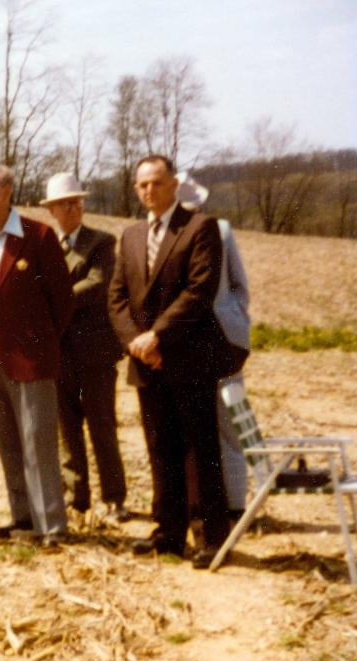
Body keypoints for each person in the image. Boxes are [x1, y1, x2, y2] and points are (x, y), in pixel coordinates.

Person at [108, 155, 235, 569]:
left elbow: (200, 291)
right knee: (160, 447)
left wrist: (157, 336)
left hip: (189, 358)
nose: (149, 191)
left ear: (174, 184)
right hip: (146, 361)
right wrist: (136, 343)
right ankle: (168, 533)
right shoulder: (129, 236)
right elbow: (117, 298)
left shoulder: (200, 228)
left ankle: (210, 537)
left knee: (200, 450)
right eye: (142, 184)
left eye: (157, 183)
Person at [0, 162, 74, 547]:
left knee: (39, 441)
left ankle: (51, 526)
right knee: (7, 443)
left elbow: (61, 301)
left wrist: (37, 343)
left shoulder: (37, 237)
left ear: (6, 193)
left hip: (31, 359)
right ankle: (23, 518)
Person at [40, 172, 128, 522]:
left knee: (102, 424)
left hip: (95, 352)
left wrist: (53, 300)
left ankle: (115, 498)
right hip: (59, 352)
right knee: (66, 427)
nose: (72, 208)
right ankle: (77, 500)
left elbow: (97, 284)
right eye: (64, 204)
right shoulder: (45, 245)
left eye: (77, 202)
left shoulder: (102, 242)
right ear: (52, 211)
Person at [176, 172, 252, 520]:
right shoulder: (168, 236)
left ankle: (234, 504)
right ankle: (204, 503)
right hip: (186, 338)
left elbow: (240, 285)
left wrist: (233, 314)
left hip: (223, 338)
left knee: (230, 420)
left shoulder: (220, 231)